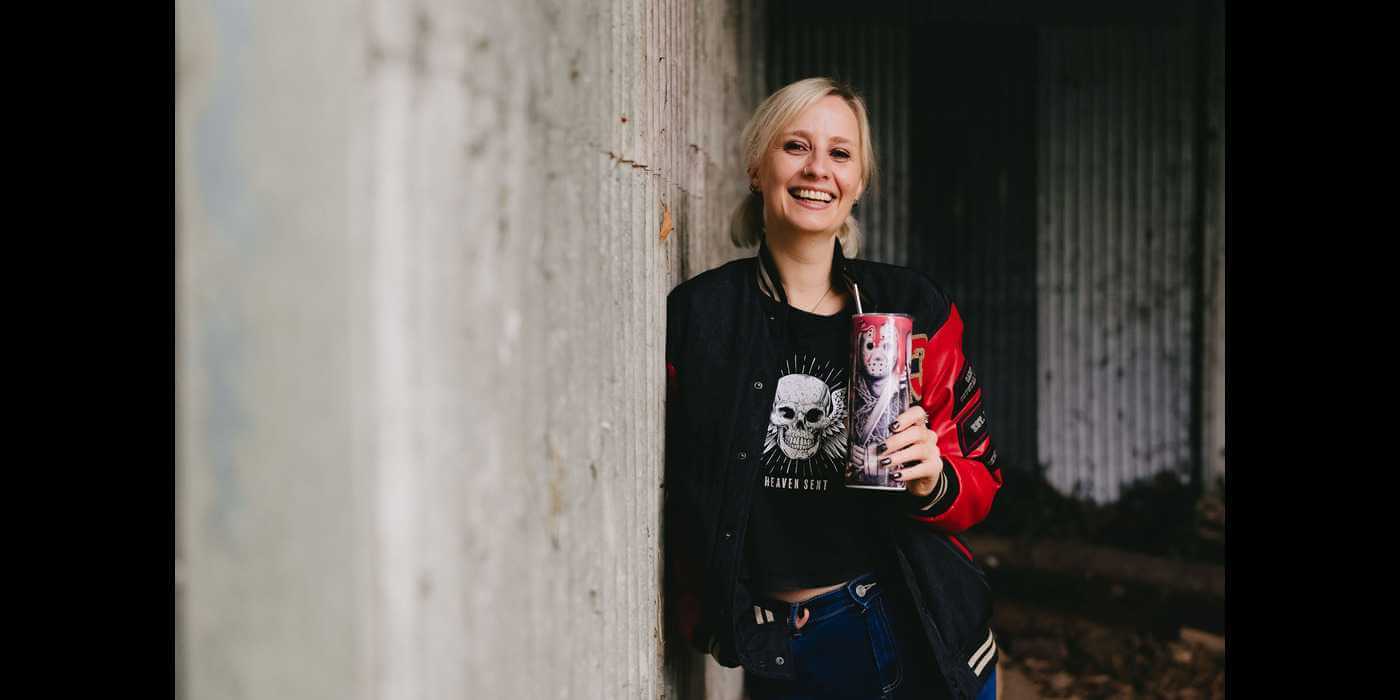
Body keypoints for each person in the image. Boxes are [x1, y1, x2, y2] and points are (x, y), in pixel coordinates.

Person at [664, 77, 1005, 700]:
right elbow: (679, 495)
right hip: (779, 649)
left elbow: (981, 481)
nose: (818, 168)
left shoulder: (912, 310)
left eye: (840, 153)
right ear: (756, 166)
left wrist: (933, 478)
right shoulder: (700, 317)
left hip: (913, 630)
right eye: (796, 145)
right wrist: (710, 619)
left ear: (860, 182)